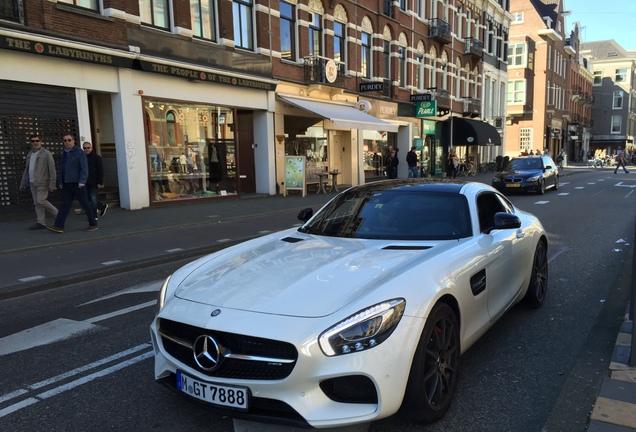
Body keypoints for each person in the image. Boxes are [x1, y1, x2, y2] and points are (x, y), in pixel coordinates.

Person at [47, 134, 98, 233]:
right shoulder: (64, 153)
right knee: (64, 205)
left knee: (85, 204)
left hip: (78, 184)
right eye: (65, 140)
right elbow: (62, 168)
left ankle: (93, 224)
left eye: (69, 140)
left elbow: (84, 168)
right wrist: (61, 181)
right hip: (67, 184)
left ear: (73, 141)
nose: (67, 142)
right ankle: (59, 226)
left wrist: (82, 181)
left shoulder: (79, 152)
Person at [20, 134, 59, 230]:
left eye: (37, 141)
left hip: (43, 181)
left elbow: (52, 169)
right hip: (32, 182)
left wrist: (53, 183)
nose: (35, 143)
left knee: (41, 200)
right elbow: (27, 169)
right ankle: (41, 222)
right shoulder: (29, 154)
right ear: (31, 143)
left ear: (41, 141)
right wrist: (23, 182)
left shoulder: (46, 153)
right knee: (36, 203)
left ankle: (58, 214)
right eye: (33, 141)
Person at [83, 141, 108, 218]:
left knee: (93, 197)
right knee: (88, 198)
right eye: (85, 148)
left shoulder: (96, 158)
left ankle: (94, 216)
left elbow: (100, 170)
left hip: (94, 181)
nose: (86, 149)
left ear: (91, 148)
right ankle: (101, 206)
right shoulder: (82, 158)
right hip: (85, 181)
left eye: (88, 148)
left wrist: (100, 182)